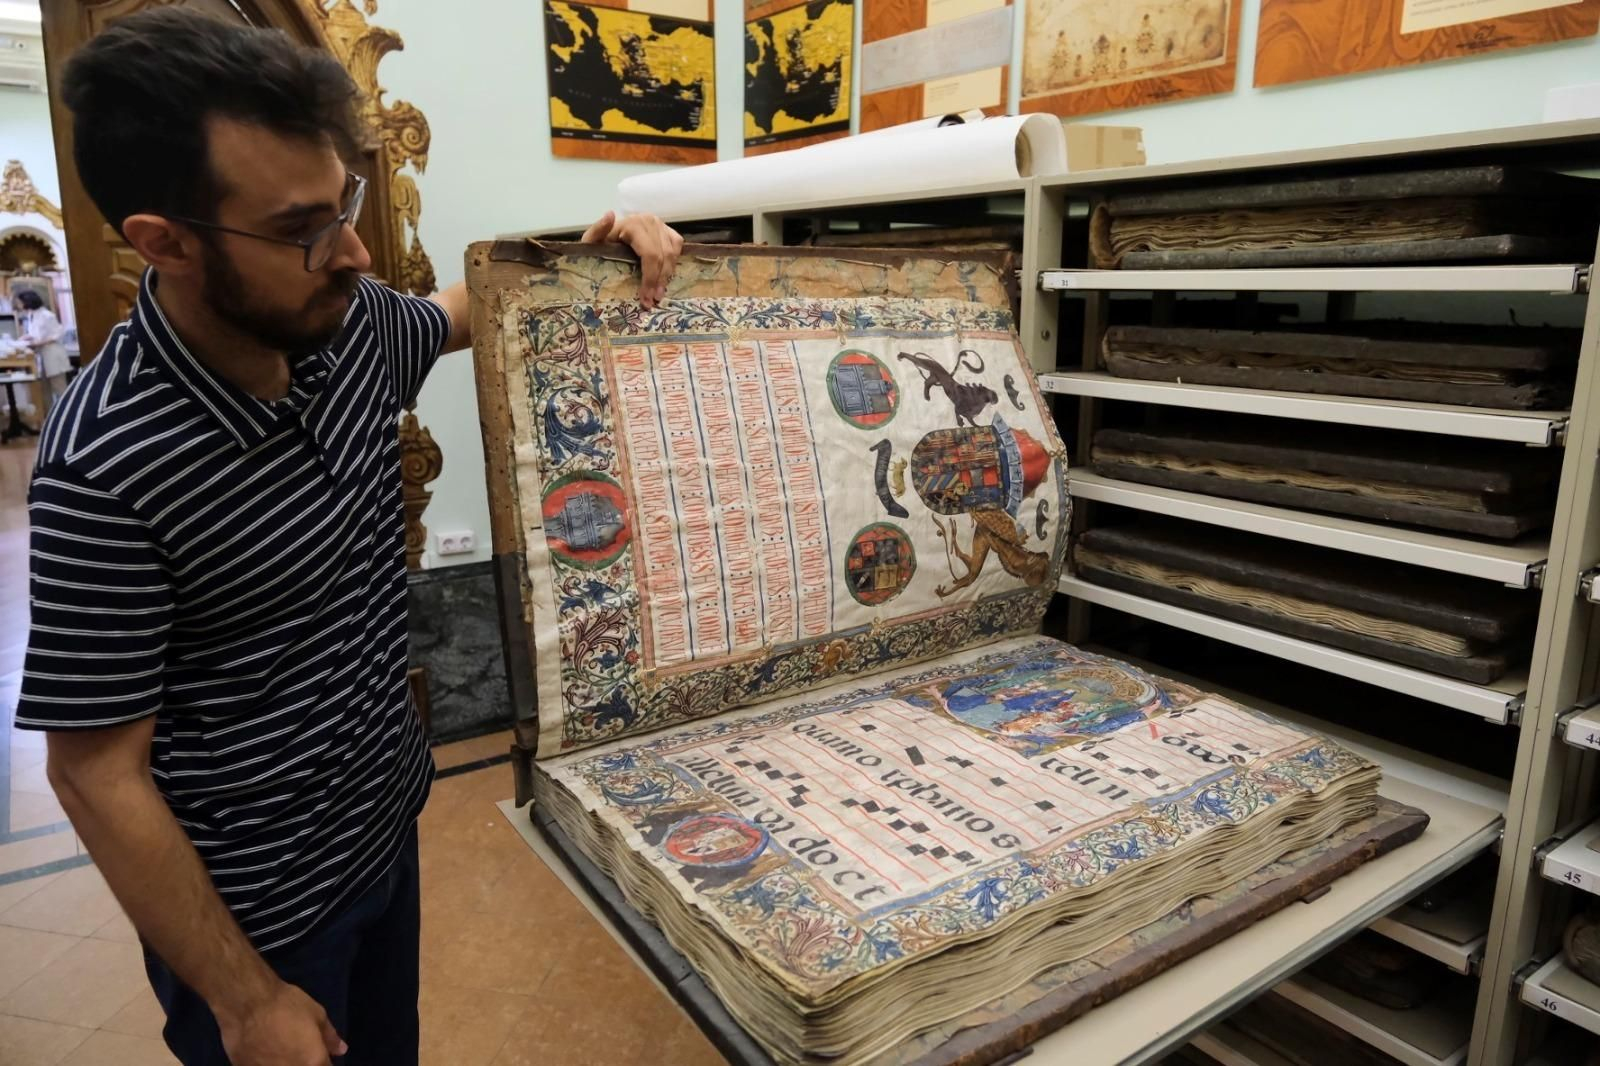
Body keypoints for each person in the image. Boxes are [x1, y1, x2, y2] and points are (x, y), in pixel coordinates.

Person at [14, 9, 681, 1066]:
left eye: (346, 205)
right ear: (163, 242)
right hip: (257, 920)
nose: (354, 251)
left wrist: (587, 248)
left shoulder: (344, 324)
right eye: (300, 229)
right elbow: (96, 772)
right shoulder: (108, 463)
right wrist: (243, 1001)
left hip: (378, 832)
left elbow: (461, 309)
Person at [13, 288, 71, 417]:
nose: (19, 305)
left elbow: (57, 334)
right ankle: (50, 417)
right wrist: (26, 337)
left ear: (27, 301)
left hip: (53, 354)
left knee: (59, 388)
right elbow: (35, 333)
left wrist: (37, 343)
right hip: (42, 357)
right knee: (44, 389)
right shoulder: (31, 314)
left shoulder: (47, 315)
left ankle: (68, 416)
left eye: (20, 302)